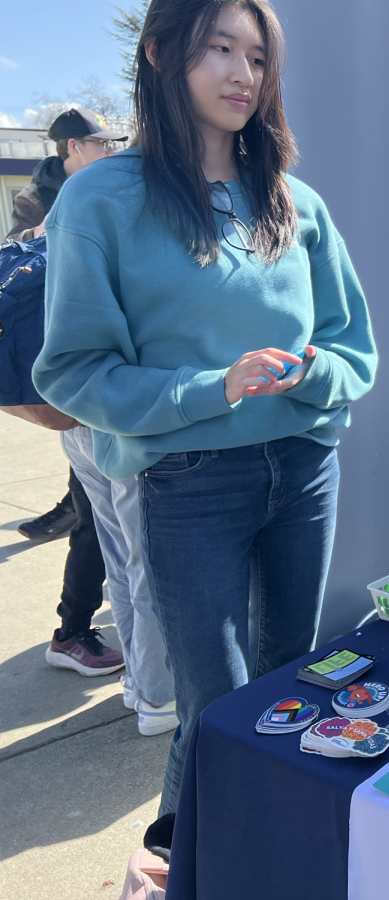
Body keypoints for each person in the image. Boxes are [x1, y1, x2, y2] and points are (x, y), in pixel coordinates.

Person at [33, 0, 377, 814]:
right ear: (160, 54)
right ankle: (193, 861)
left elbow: (353, 344)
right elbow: (73, 371)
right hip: (187, 481)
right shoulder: (100, 200)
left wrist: (313, 371)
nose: (242, 75)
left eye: (258, 58)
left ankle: (272, 850)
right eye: (219, 48)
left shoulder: (297, 202)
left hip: (304, 468)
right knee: (216, 711)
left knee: (292, 686)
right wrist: (212, 386)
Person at [2, 108, 129, 678]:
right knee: (98, 523)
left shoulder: (95, 189)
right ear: (72, 148)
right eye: (103, 142)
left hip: (88, 386)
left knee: (96, 513)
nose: (111, 150)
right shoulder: (42, 204)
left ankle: (82, 627)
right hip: (71, 387)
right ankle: (73, 630)